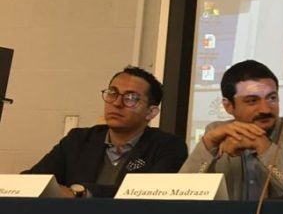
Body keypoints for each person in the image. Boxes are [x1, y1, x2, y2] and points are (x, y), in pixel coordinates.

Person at [23, 66, 187, 198]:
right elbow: (33, 181)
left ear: (151, 113)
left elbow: (149, 194)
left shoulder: (168, 146)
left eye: (130, 98)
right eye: (112, 93)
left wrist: (81, 192)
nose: (116, 103)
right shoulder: (79, 140)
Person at [180, 60, 283, 200]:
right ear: (229, 106)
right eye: (252, 101)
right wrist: (208, 143)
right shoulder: (218, 133)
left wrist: (263, 146)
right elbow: (180, 194)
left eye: (271, 98)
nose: (265, 109)